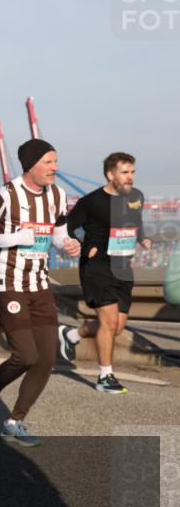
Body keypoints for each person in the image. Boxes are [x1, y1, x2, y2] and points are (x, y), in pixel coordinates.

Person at [0, 138, 81, 447]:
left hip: (39, 283)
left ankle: (14, 421)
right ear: (31, 165)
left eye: (56, 161)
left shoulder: (57, 195)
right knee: (25, 356)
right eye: (49, 162)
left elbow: (58, 234)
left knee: (45, 360)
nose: (55, 167)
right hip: (8, 283)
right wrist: (14, 237)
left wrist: (68, 244)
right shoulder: (5, 195)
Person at [58, 153, 151, 394]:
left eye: (132, 172)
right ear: (111, 175)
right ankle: (105, 376)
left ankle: (72, 334)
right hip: (97, 267)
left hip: (123, 268)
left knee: (116, 327)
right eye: (125, 172)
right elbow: (65, 227)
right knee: (108, 322)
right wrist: (84, 246)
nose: (130, 177)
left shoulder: (136, 197)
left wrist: (143, 238)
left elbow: (135, 222)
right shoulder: (91, 202)